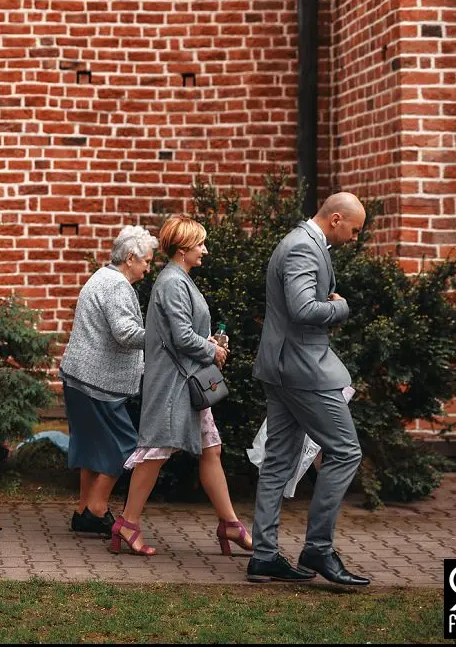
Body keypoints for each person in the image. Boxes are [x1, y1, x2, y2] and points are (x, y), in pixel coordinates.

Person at [247, 192, 370, 586]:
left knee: (278, 461)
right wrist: (342, 307)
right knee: (346, 451)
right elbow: (302, 310)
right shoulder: (302, 247)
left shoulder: (303, 242)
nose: (355, 237)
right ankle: (318, 547)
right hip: (302, 370)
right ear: (336, 218)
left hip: (283, 368)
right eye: (354, 229)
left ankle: (264, 556)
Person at [111, 215, 250, 558]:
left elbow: (184, 331)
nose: (204, 249)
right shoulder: (173, 282)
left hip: (186, 384)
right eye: (200, 244)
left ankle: (230, 524)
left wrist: (209, 343)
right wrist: (213, 349)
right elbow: (181, 336)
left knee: (211, 449)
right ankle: (127, 524)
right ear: (184, 248)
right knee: (157, 450)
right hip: (174, 385)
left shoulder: (180, 279)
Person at [59, 225, 157, 536]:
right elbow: (126, 333)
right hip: (99, 382)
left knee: (90, 447)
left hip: (80, 376)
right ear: (131, 258)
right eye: (147, 261)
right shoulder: (117, 286)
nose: (148, 268)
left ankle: (83, 511)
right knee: (125, 445)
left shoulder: (100, 277)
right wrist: (163, 337)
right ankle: (96, 510)